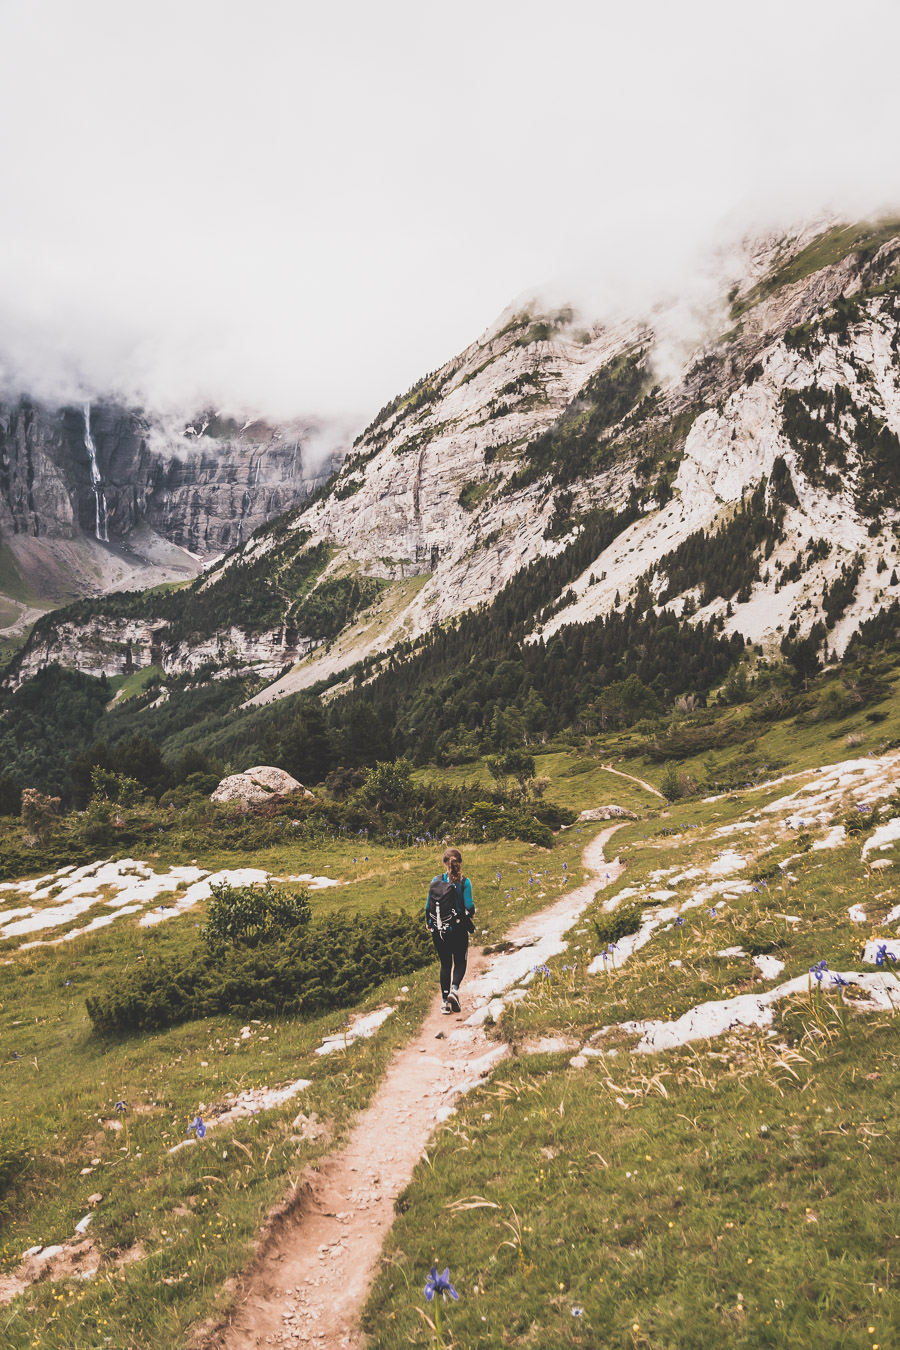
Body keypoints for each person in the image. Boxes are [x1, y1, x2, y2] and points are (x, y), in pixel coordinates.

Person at [425, 847, 475, 1014]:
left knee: (445, 964)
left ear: (444, 863)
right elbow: (469, 906)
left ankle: (444, 1002)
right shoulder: (464, 882)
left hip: (439, 930)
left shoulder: (435, 880)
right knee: (460, 961)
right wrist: (471, 914)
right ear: (459, 863)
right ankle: (454, 989)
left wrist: (429, 923)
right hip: (458, 929)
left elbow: (427, 907)